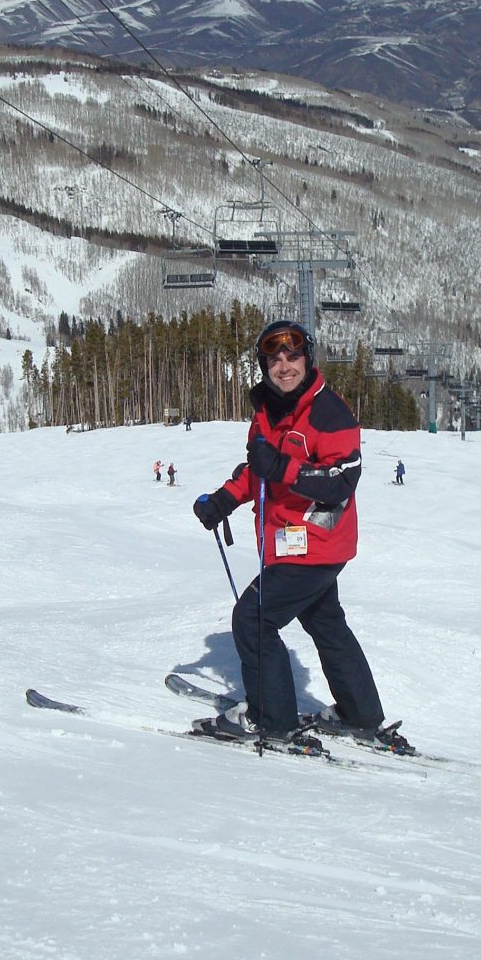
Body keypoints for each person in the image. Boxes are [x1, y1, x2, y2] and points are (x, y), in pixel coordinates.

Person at [192, 319, 393, 750]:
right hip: (292, 543)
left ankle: (271, 718)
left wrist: (281, 467)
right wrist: (224, 499)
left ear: (308, 359)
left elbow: (342, 480)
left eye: (293, 356)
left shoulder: (328, 413)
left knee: (253, 619)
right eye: (275, 360)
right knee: (325, 622)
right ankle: (360, 713)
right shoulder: (268, 411)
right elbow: (258, 471)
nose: (284, 366)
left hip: (317, 543)